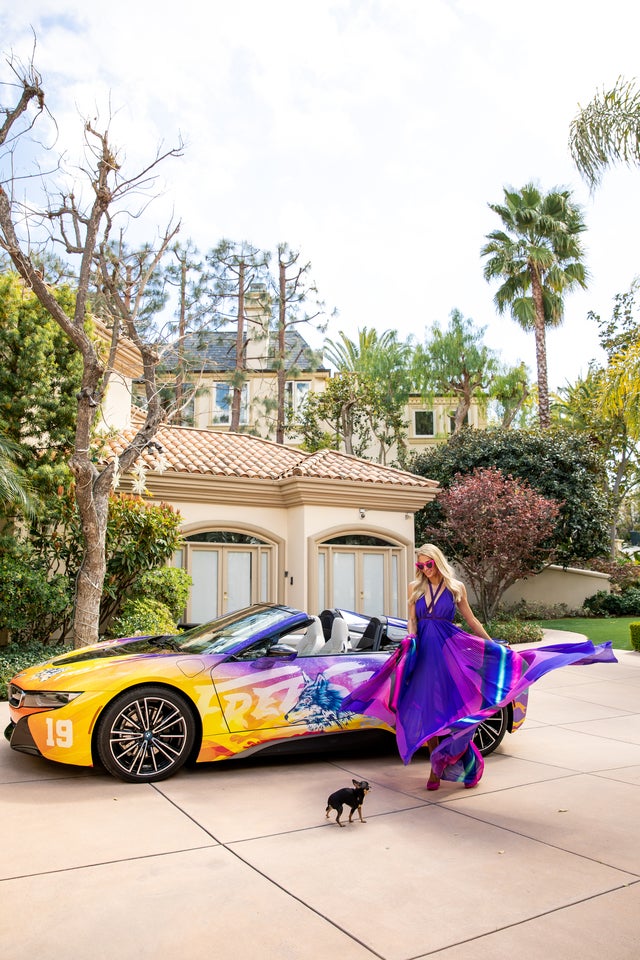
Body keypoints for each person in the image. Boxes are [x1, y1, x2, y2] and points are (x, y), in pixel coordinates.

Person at [342, 543, 618, 791]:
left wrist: (492, 644)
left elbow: (471, 621)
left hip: (450, 651)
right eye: (420, 565)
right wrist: (411, 638)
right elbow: (412, 621)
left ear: (438, 562)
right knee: (426, 710)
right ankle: (436, 770)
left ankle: (451, 763)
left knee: (452, 711)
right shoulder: (415, 589)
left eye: (429, 564)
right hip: (425, 654)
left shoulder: (455, 588)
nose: (425, 569)